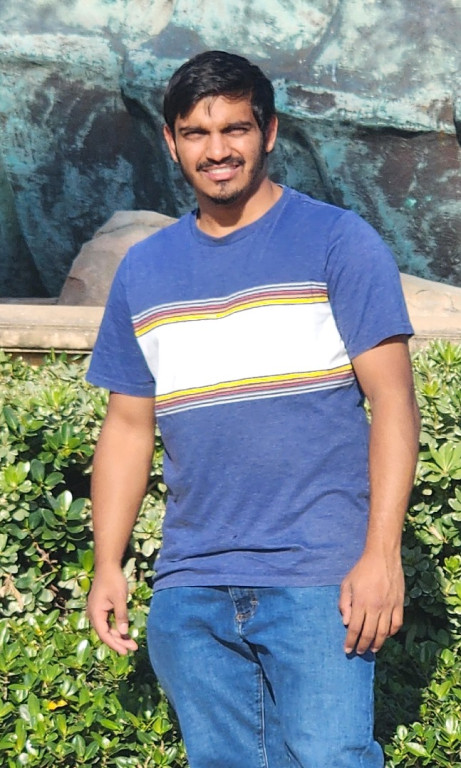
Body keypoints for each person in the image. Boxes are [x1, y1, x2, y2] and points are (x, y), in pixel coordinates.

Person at [86, 50, 420, 768]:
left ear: (268, 132)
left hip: (318, 578)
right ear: (171, 141)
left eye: (234, 129)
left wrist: (380, 554)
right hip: (191, 586)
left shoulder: (337, 241)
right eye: (196, 133)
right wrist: (107, 563)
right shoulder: (144, 270)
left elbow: (394, 402)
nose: (217, 151)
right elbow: (127, 427)